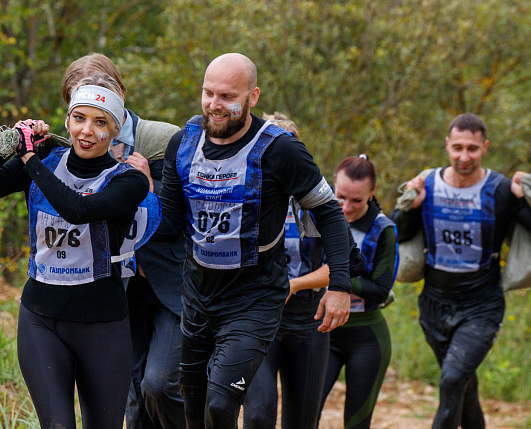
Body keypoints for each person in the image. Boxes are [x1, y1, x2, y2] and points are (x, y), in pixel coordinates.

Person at [154, 53, 354, 429]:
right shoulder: (183, 144)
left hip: (255, 297)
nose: (215, 105)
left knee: (220, 403)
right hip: (198, 295)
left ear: (252, 96)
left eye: (227, 96)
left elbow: (328, 211)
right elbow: (168, 224)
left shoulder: (280, 149)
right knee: (193, 410)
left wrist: (341, 285)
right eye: (208, 93)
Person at [0, 73, 150, 429]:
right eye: (79, 118)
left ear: (115, 130)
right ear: (68, 120)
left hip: (102, 324)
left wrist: (30, 159)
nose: (87, 131)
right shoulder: (43, 161)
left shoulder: (127, 180)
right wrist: (7, 143)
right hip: (41, 319)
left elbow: (78, 210)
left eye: (100, 122)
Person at [389, 113, 531, 429]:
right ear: (447, 145)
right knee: (462, 387)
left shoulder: (500, 190)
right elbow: (395, 235)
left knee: (452, 379)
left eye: (472, 148)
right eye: (457, 147)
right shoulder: (427, 186)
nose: (464, 156)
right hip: (433, 303)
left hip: (481, 304)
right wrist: (408, 207)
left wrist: (529, 195)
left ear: (485, 147)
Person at [61, 53, 186, 429]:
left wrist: (147, 189)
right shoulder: (71, 148)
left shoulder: (162, 139)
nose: (89, 125)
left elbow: (182, 218)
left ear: (120, 95)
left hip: (167, 284)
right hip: (115, 289)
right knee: (133, 394)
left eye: (101, 104)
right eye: (77, 104)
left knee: (159, 385)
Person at [242, 112, 352, 429]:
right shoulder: (247, 191)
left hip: (308, 319)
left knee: (303, 421)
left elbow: (342, 261)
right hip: (260, 315)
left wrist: (294, 285)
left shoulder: (319, 196)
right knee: (259, 415)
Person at [318, 154, 398, 429]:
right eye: (340, 197)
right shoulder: (315, 214)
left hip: (366, 336)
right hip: (322, 331)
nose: (346, 207)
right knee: (304, 415)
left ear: (372, 193)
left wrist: (331, 276)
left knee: (357, 422)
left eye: (357, 201)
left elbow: (381, 289)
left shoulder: (383, 229)